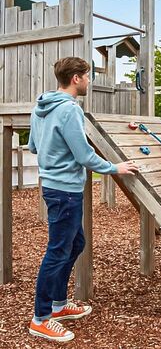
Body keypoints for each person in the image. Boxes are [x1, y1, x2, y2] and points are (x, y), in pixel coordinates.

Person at [27, 57, 139, 342]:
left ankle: (58, 305)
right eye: (87, 76)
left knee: (76, 243)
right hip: (65, 191)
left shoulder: (40, 107)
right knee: (58, 250)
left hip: (55, 187)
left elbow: (33, 146)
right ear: (76, 78)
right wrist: (115, 168)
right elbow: (84, 156)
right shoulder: (70, 110)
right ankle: (40, 318)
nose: (89, 81)